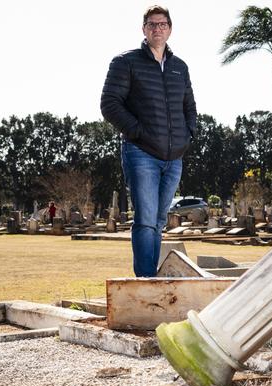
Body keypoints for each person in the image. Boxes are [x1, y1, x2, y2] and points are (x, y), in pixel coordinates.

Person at [101, 5, 196, 277]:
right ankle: (146, 281)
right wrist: (138, 132)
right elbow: (109, 103)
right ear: (144, 29)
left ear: (170, 29)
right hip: (140, 153)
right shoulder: (126, 62)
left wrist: (188, 135)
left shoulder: (180, 67)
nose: (158, 29)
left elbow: (189, 106)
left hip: (174, 156)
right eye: (152, 24)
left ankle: (150, 279)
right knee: (145, 221)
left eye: (162, 24)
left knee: (158, 220)